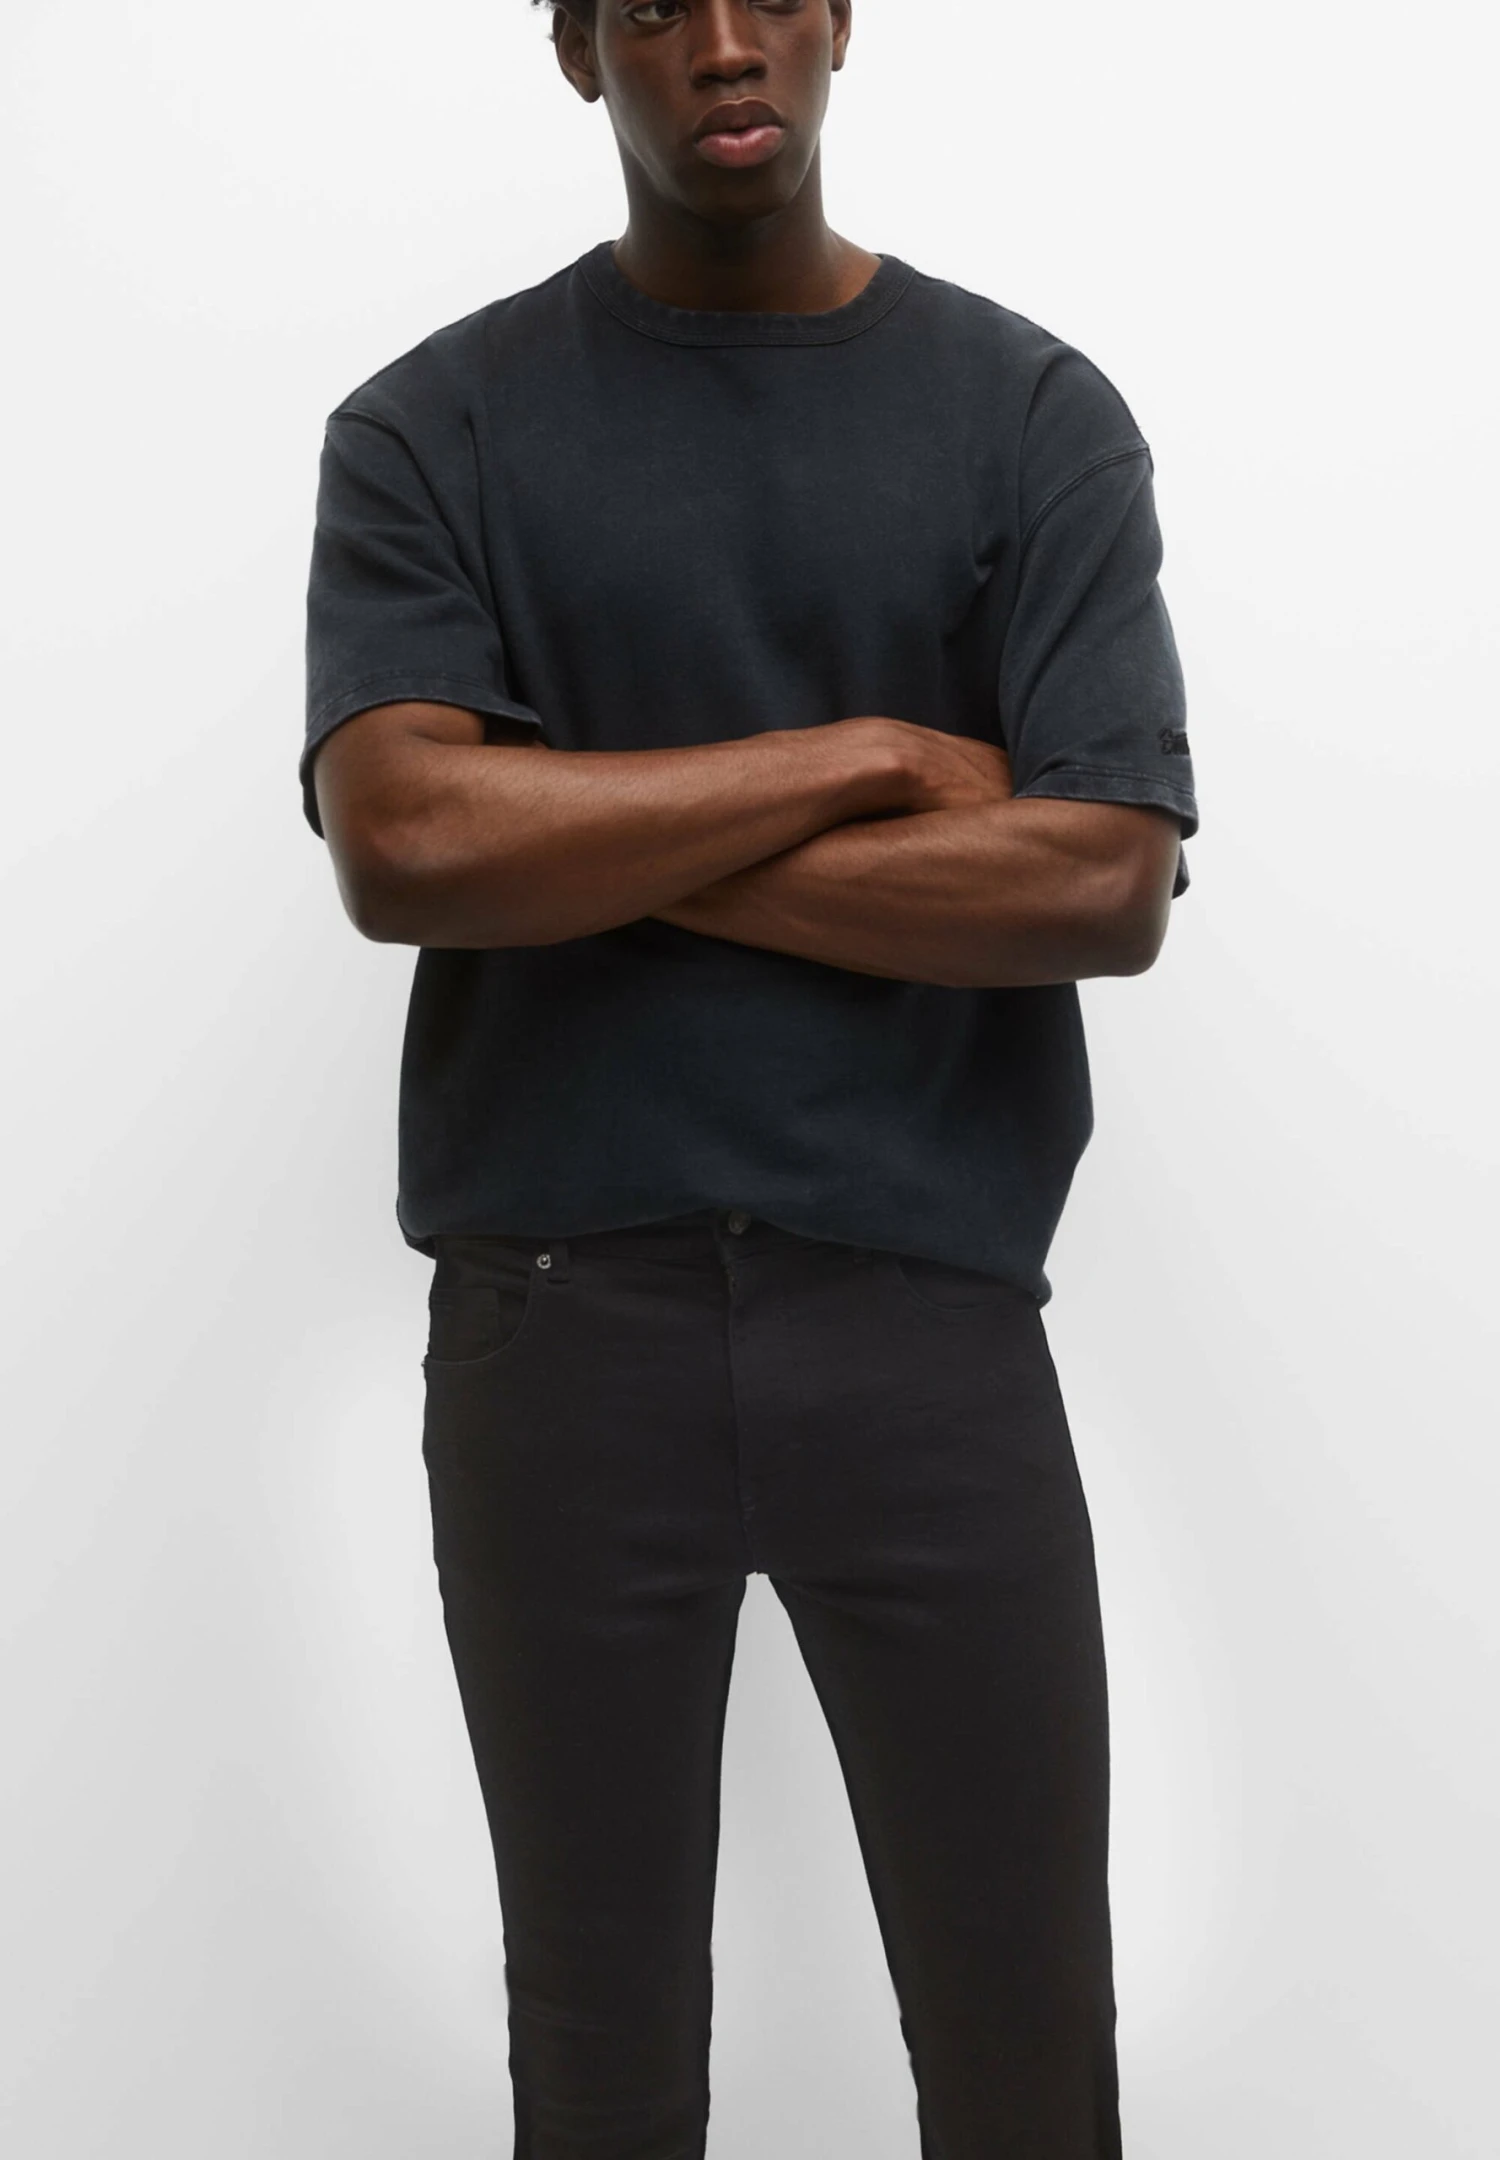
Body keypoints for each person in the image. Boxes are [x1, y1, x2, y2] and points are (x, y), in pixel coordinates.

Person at [300, 2, 1198, 2153]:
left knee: (1025, 2042)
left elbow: (1101, 882)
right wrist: (872, 759)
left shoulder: (1028, 415)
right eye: (653, 4)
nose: (721, 42)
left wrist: (577, 840)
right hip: (556, 1331)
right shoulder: (432, 426)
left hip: (927, 1320)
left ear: (840, 22)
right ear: (577, 50)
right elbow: (404, 849)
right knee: (599, 2061)